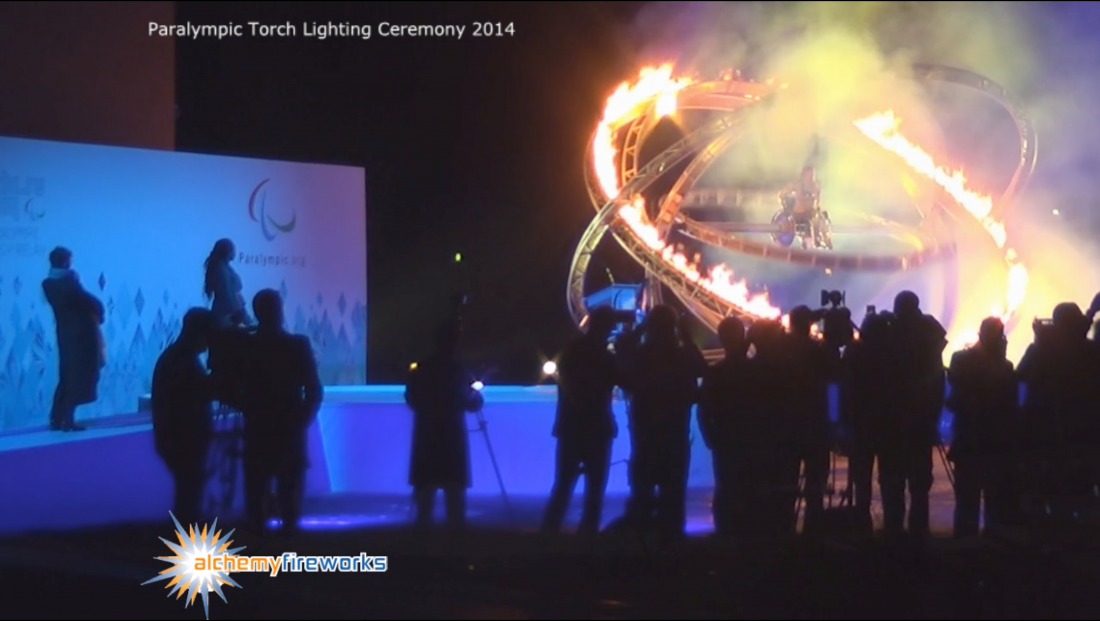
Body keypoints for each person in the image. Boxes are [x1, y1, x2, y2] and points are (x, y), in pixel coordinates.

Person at [618, 306, 708, 539]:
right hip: (675, 438)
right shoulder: (681, 357)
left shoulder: (641, 355)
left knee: (642, 498)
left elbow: (622, 354)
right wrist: (686, 336)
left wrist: (640, 328)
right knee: (674, 498)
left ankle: (641, 547)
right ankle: (673, 545)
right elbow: (702, 367)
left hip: (645, 438)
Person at [241, 289, 323, 536]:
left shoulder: (247, 346)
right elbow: (313, 389)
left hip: (258, 426)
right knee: (290, 495)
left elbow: (237, 387)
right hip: (289, 426)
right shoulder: (297, 344)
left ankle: (257, 559)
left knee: (256, 497)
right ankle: (290, 556)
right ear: (280, 310)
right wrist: (302, 419)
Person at [541, 306, 620, 536]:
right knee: (594, 492)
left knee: (563, 486)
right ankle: (588, 539)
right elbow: (627, 381)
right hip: (597, 428)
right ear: (607, 327)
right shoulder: (605, 357)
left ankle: (547, 538)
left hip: (571, 427)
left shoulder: (572, 351)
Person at [879, 290, 947, 543]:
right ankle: (918, 531)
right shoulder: (929, 334)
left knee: (892, 479)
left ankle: (893, 530)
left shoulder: (890, 334)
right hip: (921, 420)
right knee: (919, 483)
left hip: (893, 421)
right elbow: (938, 381)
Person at [946, 317, 1020, 537]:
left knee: (967, 499)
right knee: (993, 498)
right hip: (994, 441)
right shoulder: (1005, 367)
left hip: (969, 438)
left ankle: (965, 543)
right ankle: (991, 544)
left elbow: (955, 394)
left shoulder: (960, 359)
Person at [405, 320, 483, 528]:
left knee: (425, 496)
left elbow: (412, 399)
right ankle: (455, 543)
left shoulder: (422, 368)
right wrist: (473, 395)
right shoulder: (460, 370)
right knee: (455, 495)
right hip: (452, 435)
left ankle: (421, 545)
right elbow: (473, 404)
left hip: (426, 435)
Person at [151, 308, 216, 525]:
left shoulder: (174, 357)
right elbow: (200, 394)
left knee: (187, 493)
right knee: (189, 494)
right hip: (184, 440)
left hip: (176, 439)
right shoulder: (183, 361)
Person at [41, 246, 105, 432]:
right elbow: (85, 301)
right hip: (81, 337)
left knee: (68, 376)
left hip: (68, 335)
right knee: (76, 377)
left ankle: (57, 418)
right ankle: (66, 419)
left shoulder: (53, 283)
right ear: (66, 261)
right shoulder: (65, 283)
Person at [698, 316, 750, 537]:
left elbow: (703, 409)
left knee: (726, 488)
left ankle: (724, 536)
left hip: (724, 441)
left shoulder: (715, 373)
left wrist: (711, 437)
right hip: (749, 441)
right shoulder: (755, 372)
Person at [203, 238, 250, 329]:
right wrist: (237, 312)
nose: (235, 253)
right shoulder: (220, 269)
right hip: (228, 314)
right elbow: (226, 293)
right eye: (232, 250)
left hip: (229, 312)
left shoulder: (223, 267)